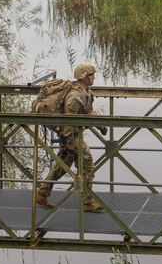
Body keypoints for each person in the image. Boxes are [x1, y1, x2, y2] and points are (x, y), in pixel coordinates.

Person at [36, 63, 108, 213]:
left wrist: (100, 125)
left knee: (62, 166)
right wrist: (69, 142)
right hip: (71, 137)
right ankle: (88, 202)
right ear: (83, 77)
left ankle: (42, 193)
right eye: (91, 75)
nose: (94, 77)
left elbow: (88, 112)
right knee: (88, 163)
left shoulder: (86, 92)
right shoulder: (75, 96)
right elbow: (69, 120)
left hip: (74, 136)